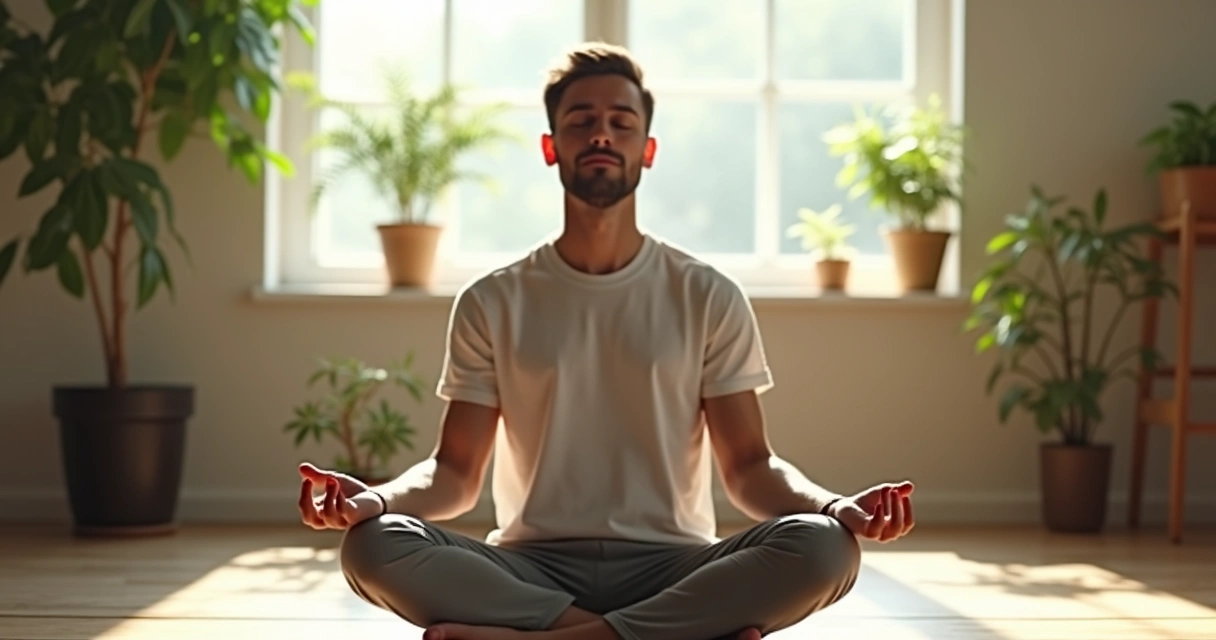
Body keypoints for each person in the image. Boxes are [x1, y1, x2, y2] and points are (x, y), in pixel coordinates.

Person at [296, 42, 915, 640]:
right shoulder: (492, 300)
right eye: (581, 120)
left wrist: (835, 506)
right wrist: (376, 499)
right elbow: (455, 474)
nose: (601, 135)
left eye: (621, 122)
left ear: (646, 150)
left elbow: (751, 469)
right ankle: (650, 637)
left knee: (825, 547)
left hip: (674, 568)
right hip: (530, 569)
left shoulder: (707, 294)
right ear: (550, 146)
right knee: (374, 545)